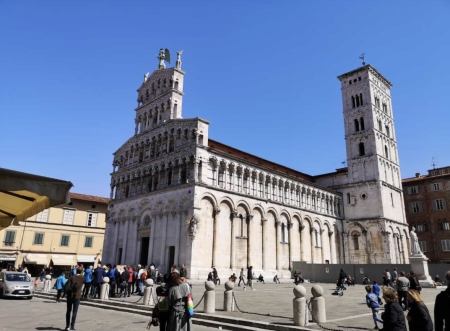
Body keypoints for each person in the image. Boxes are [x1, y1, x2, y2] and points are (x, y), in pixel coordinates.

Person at [65, 267, 84, 331]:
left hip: (70, 296)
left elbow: (66, 285)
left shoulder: (71, 277)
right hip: (77, 296)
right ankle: (72, 326)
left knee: (68, 311)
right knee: (74, 312)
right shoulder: (82, 278)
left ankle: (67, 326)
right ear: (81, 272)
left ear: (76, 271)